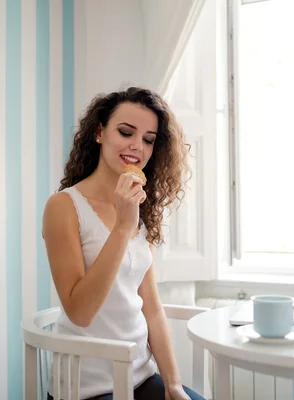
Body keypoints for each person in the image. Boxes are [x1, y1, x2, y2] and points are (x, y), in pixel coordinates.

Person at [42, 87, 206, 400]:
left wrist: (172, 385)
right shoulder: (63, 206)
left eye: (148, 139)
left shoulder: (138, 209)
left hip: (140, 378)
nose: (137, 146)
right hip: (84, 388)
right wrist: (121, 228)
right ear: (100, 132)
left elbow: (152, 308)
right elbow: (80, 313)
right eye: (126, 132)